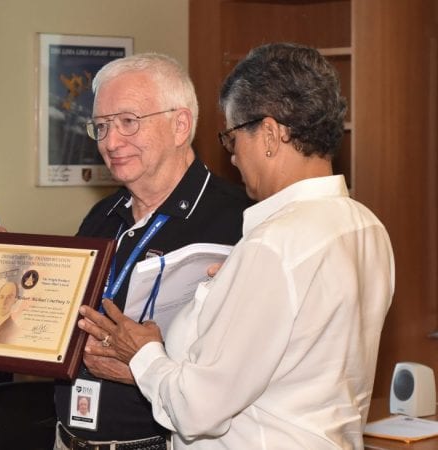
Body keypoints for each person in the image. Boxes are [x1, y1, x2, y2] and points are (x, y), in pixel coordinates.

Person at [78, 42, 395, 449]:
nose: (232, 158)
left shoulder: (273, 245)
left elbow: (196, 409)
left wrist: (143, 353)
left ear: (268, 134)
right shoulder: (366, 227)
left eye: (231, 138)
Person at [0, 53, 251, 449]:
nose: (110, 142)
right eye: (101, 126)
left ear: (180, 125)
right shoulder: (102, 216)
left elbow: (242, 371)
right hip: (67, 438)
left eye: (127, 122)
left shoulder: (238, 222)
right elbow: (55, 324)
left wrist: (141, 365)